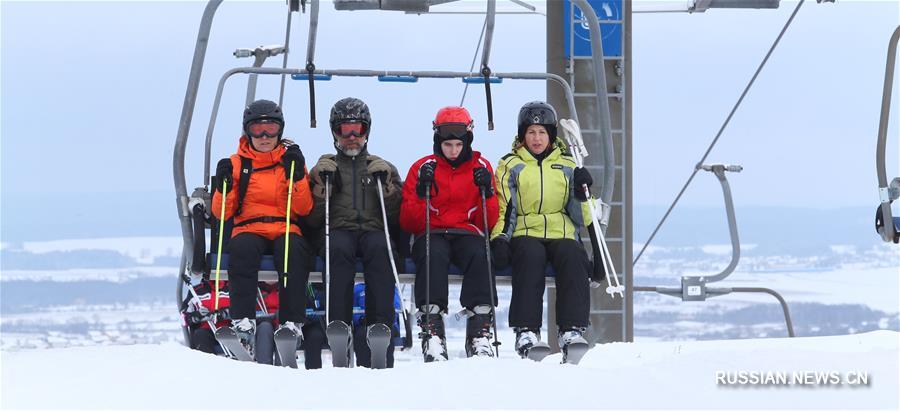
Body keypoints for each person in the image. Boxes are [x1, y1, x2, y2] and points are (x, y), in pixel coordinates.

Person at [490, 101, 595, 362]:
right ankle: (526, 331)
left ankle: (571, 330)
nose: (537, 139)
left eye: (542, 132)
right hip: (526, 230)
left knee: (573, 254)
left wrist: (584, 195)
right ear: (522, 135)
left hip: (562, 231)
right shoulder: (511, 165)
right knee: (530, 254)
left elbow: (582, 218)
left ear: (551, 135)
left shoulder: (568, 165)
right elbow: (505, 207)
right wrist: (500, 238)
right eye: (531, 132)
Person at [211, 99, 314, 355]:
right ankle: (242, 322)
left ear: (280, 130)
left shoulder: (291, 161)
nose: (265, 136)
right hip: (249, 226)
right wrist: (223, 186)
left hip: (285, 225)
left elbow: (303, 208)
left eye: (271, 128)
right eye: (258, 129)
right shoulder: (238, 164)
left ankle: (292, 321)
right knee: (242, 250)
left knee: (292, 252)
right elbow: (222, 212)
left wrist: (298, 178)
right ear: (248, 131)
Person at [306, 97, 403, 367]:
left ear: (366, 131)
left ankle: (380, 327)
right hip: (338, 229)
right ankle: (339, 325)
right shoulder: (325, 169)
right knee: (338, 248)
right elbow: (312, 218)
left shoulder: (381, 167)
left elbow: (396, 216)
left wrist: (386, 187)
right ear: (334, 132)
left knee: (381, 249)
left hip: (373, 229)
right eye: (344, 130)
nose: (351, 137)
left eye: (357, 130)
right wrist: (322, 186)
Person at [399, 106, 499, 362]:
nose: (453, 151)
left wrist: (486, 192)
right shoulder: (423, 168)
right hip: (433, 230)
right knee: (434, 254)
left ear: (467, 141)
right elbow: (408, 221)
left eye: (458, 145)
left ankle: (479, 330)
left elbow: (488, 221)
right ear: (437, 141)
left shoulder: (481, 167)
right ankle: (432, 330)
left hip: (467, 231)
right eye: (448, 145)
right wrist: (423, 193)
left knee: (481, 253)